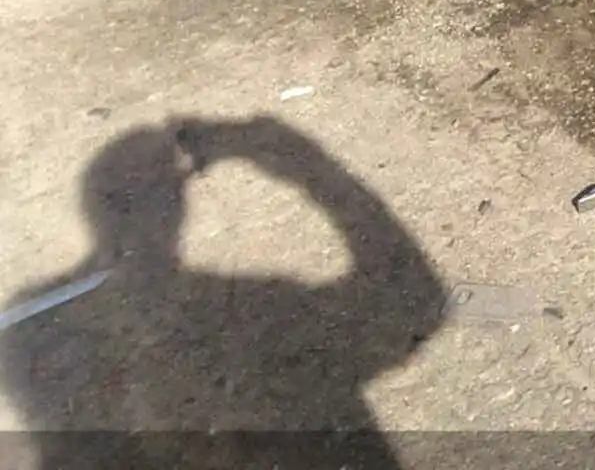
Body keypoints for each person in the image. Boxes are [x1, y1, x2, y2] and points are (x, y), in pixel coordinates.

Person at [0, 117, 442, 469]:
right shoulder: (248, 309)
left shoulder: (24, 330)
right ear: (175, 203)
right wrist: (297, 157)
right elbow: (418, 302)